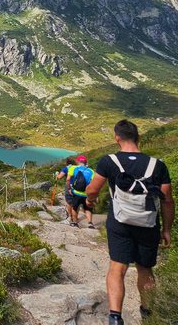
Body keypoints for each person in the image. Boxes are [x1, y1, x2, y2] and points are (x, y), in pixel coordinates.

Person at [85, 120, 174, 325]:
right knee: (145, 269)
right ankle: (150, 314)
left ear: (116, 138)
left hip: (120, 222)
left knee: (117, 266)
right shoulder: (157, 165)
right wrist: (167, 229)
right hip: (148, 223)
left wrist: (90, 201)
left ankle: (115, 317)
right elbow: (167, 199)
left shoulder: (108, 161)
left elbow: (92, 189)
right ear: (139, 138)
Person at [67, 155, 95, 228]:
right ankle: (90, 222)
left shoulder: (74, 168)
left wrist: (69, 188)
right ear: (85, 162)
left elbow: (68, 179)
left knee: (74, 208)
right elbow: (94, 183)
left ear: (78, 162)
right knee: (87, 209)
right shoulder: (91, 171)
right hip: (86, 193)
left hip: (77, 192)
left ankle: (75, 223)